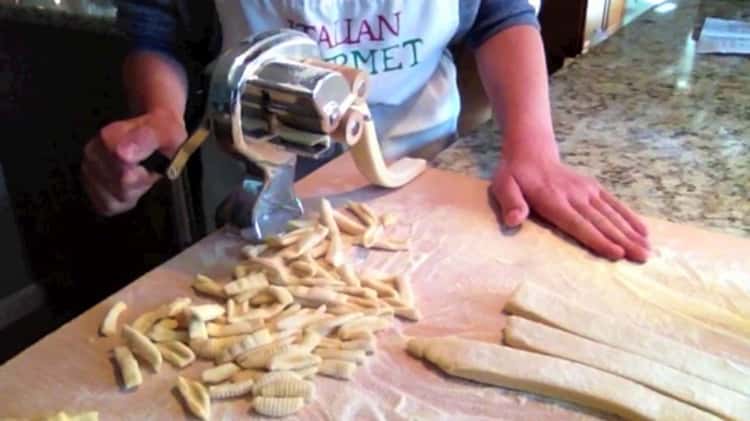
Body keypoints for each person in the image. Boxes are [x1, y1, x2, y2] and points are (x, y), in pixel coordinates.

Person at [82, 0, 650, 262]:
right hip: (260, 187)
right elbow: (157, 22)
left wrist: (533, 149)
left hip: (420, 169)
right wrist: (159, 114)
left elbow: (501, 13)